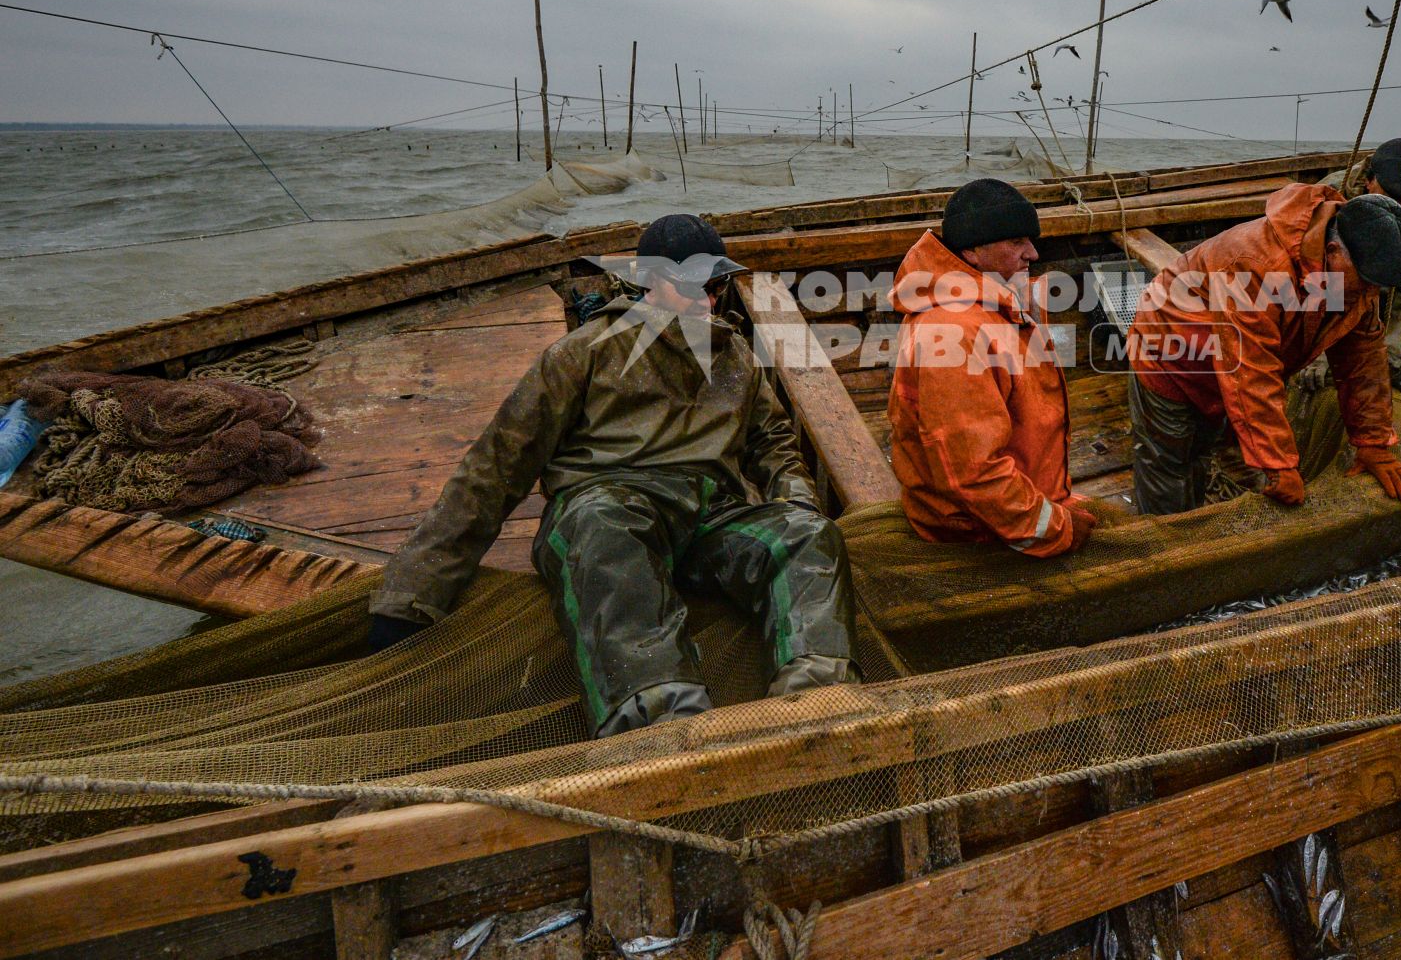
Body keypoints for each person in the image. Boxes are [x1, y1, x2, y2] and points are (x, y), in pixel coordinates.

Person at [368, 214, 858, 735]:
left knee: (808, 535)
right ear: (649, 280)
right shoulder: (583, 353)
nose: (707, 300)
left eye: (715, 285)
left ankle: (816, 704)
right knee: (608, 529)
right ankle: (659, 719)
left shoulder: (733, 354)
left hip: (709, 519)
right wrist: (411, 593)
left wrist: (798, 505)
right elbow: (496, 466)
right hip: (605, 509)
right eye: (690, 285)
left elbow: (774, 446)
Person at [1126, 183, 1401, 515]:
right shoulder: (1255, 263)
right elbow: (1249, 370)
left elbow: (1363, 361)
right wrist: (1278, 464)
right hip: (1169, 353)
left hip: (1225, 360)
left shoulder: (1355, 282)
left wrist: (1373, 443)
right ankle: (1171, 553)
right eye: (1367, 283)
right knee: (1168, 466)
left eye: (1378, 288)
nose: (1371, 294)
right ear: (1334, 251)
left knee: (1202, 445)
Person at [888, 179, 1095, 557]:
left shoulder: (996, 306)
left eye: (1031, 240)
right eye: (1016, 242)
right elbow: (972, 472)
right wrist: (1054, 528)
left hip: (1020, 503)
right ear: (971, 251)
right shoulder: (953, 333)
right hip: (977, 530)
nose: (1032, 253)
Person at [1299, 137, 1401, 395]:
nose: (1398, 208)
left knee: (1395, 380)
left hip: (1384, 306)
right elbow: (1302, 275)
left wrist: (1390, 356)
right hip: (1326, 297)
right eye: (1390, 196)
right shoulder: (1326, 200)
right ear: (1369, 180)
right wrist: (1321, 348)